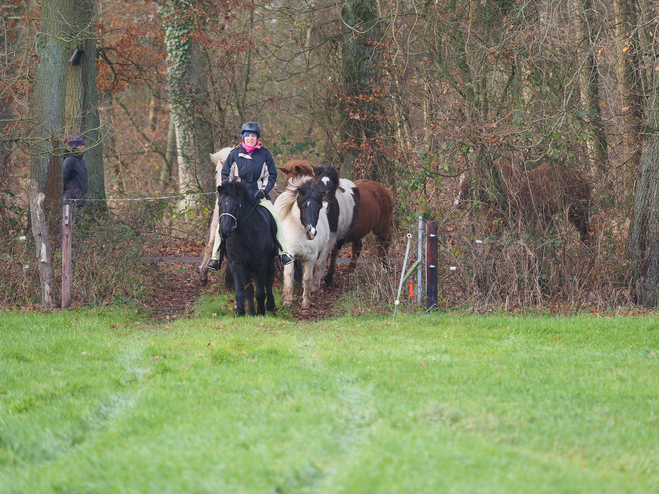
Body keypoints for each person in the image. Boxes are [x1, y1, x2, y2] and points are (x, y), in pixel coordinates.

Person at [206, 122, 294, 271]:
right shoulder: (234, 154)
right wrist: (230, 190)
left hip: (258, 196)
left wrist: (263, 191)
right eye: (248, 136)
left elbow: (272, 175)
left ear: (257, 138)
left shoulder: (265, 155)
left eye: (253, 136)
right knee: (224, 222)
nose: (250, 138)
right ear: (243, 137)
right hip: (238, 197)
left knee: (275, 218)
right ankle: (215, 257)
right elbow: (225, 173)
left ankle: (283, 252)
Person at [62, 135, 88, 226]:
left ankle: (77, 240)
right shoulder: (69, 160)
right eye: (80, 145)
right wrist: (66, 194)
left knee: (78, 225)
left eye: (83, 145)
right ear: (74, 146)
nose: (83, 147)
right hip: (71, 199)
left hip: (81, 198)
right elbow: (63, 178)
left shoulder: (81, 161)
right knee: (68, 225)